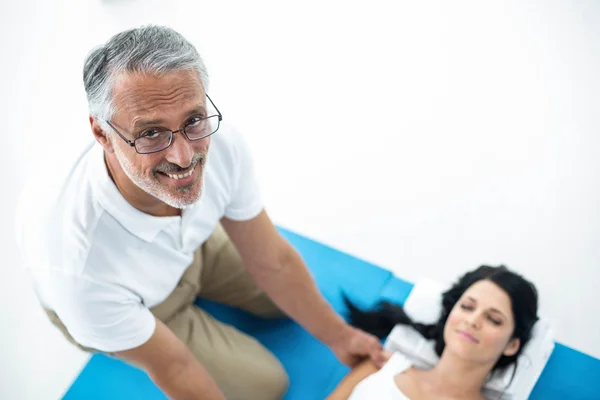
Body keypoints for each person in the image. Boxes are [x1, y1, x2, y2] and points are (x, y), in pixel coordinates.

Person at [14, 25, 385, 400]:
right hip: (137, 301)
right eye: (151, 134)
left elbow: (273, 260)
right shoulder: (76, 265)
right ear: (103, 135)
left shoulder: (221, 143)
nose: (184, 157)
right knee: (265, 386)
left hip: (191, 247)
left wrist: (342, 336)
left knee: (292, 298)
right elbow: (173, 367)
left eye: (192, 120)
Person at [326, 265, 539, 400]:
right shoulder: (380, 367)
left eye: (493, 319)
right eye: (467, 307)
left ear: (512, 344)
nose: (473, 321)